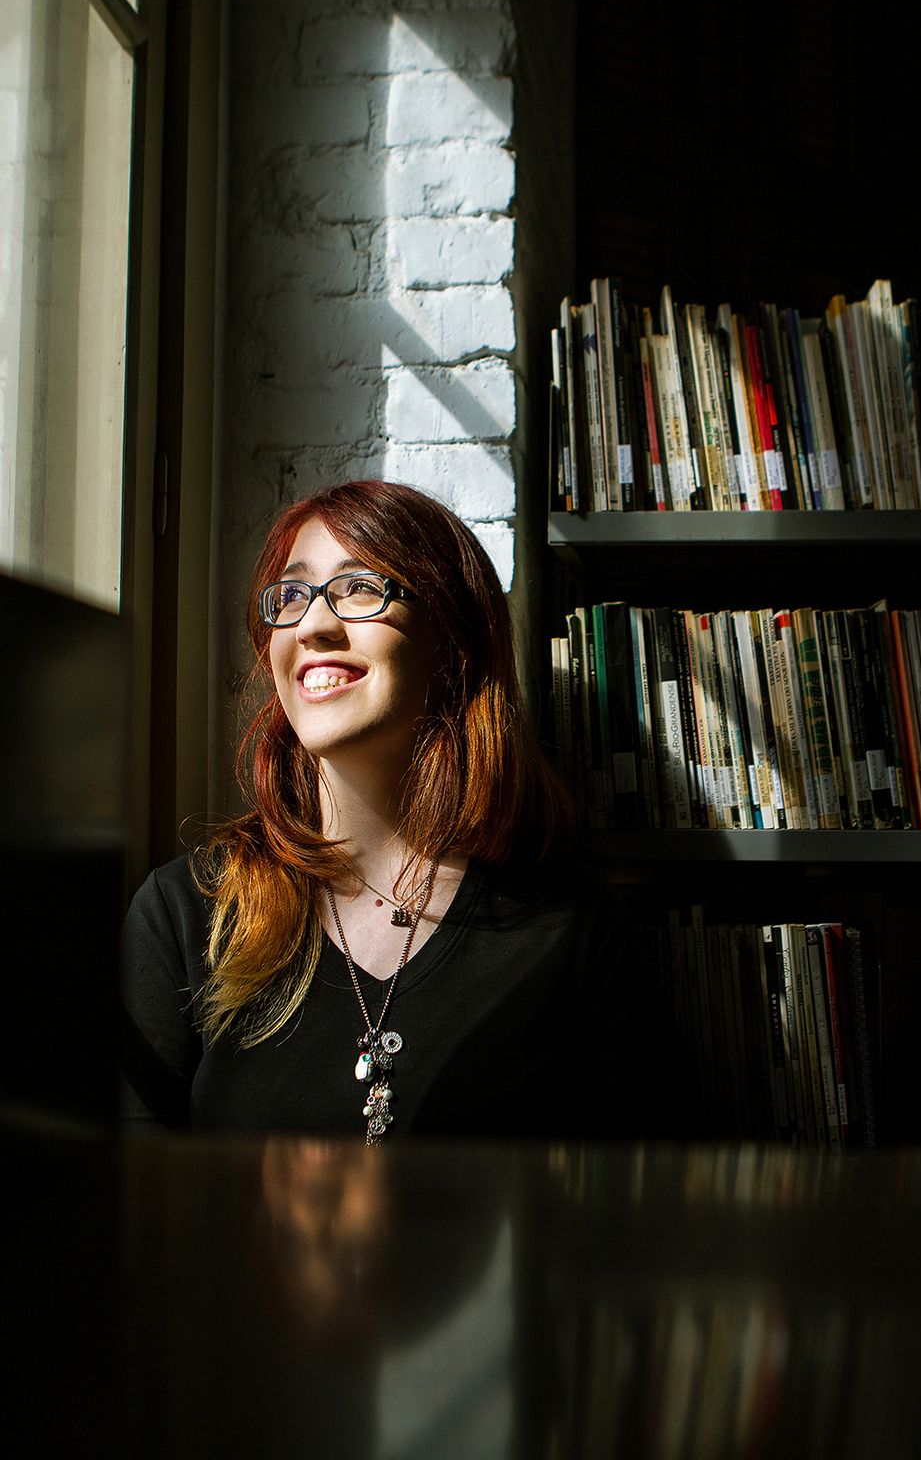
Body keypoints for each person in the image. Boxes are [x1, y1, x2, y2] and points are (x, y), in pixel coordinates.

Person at [121, 480, 691, 1139]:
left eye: (360, 588)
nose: (313, 626)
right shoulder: (187, 912)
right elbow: (133, 1188)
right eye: (292, 595)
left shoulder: (571, 927)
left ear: (452, 644)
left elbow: (657, 1182)